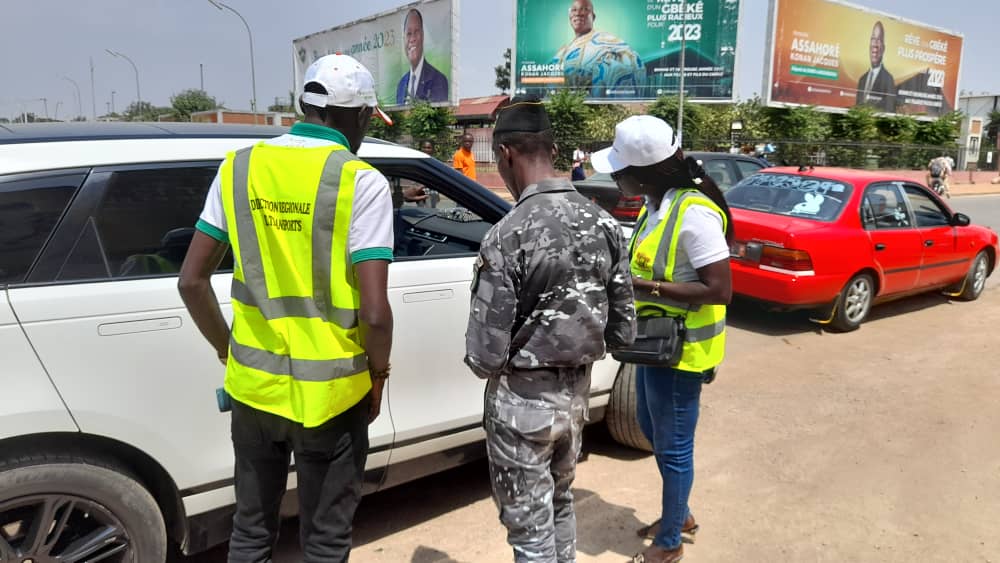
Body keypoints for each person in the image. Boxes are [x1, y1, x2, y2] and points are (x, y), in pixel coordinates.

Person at [177, 53, 395, 562]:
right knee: (324, 541)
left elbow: (191, 281)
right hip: (332, 397)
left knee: (251, 534)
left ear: (303, 105)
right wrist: (378, 375)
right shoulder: (360, 181)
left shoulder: (238, 167)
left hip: (254, 390)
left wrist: (227, 350)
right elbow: (376, 313)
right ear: (359, 116)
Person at [465, 97, 636, 562]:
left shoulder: (507, 234)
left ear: (505, 155)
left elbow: (484, 354)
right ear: (553, 148)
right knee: (560, 504)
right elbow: (624, 331)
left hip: (522, 407)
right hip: (575, 401)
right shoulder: (606, 224)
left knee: (529, 533)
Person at [590, 115, 732, 563]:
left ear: (643, 172)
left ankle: (670, 541)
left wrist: (642, 287)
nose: (613, 175)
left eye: (619, 168)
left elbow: (719, 288)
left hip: (682, 352)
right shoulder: (659, 206)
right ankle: (681, 515)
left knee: (672, 447)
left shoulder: (693, 214)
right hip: (652, 345)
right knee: (652, 431)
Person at [549, 0, 644, 98]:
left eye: (584, 9)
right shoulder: (563, 51)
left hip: (600, 108)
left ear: (593, 17)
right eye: (574, 10)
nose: (578, 13)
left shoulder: (608, 42)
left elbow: (630, 68)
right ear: (570, 16)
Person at [395, 8, 449, 105]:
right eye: (409, 34)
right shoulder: (401, 85)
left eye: (416, 32)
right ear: (404, 39)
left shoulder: (438, 80)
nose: (412, 39)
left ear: (423, 35)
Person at [855, 21, 896, 112]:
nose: (875, 44)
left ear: (883, 48)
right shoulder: (862, 80)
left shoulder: (888, 79)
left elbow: (889, 110)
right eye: (873, 39)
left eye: (879, 40)